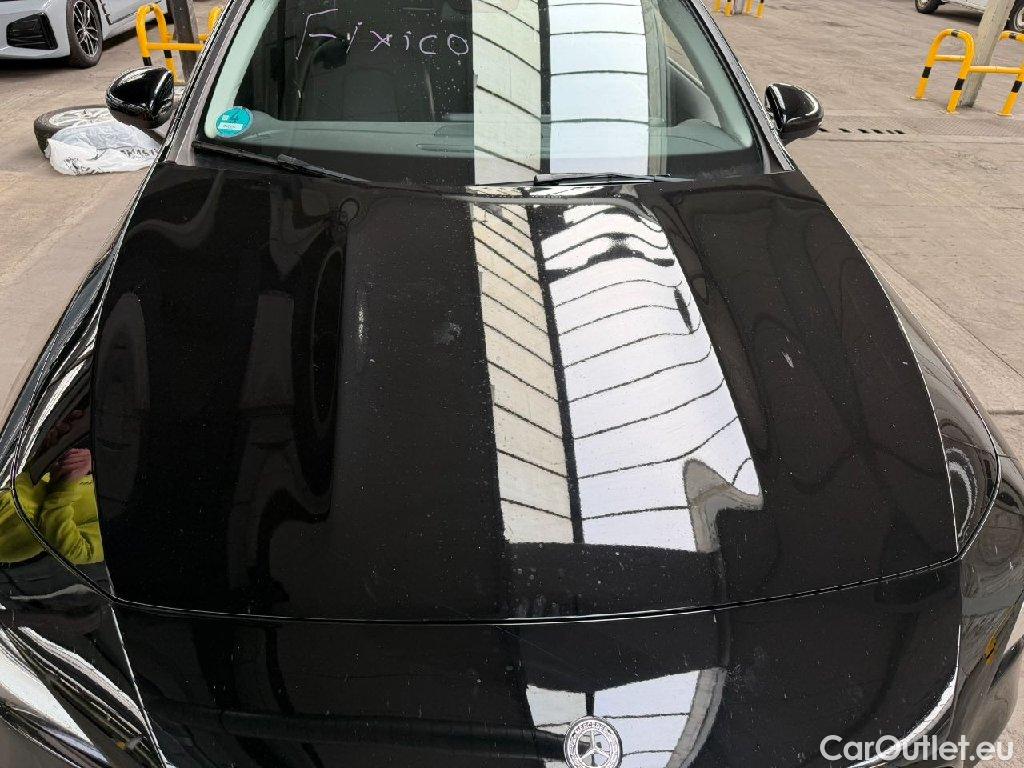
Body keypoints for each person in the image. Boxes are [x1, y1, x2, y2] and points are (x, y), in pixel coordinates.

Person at [0, 448, 103, 565]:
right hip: (13, 483)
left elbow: (79, 552)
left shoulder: (120, 526)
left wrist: (66, 485)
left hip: (14, 527)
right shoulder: (113, 476)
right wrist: (45, 452)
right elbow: (45, 481)